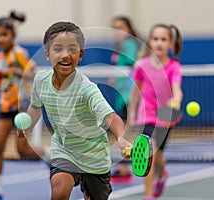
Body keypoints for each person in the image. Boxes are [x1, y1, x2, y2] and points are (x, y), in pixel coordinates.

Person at [17, 21, 132, 200]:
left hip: (94, 157)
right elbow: (35, 106)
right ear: (47, 54)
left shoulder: (87, 89)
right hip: (64, 151)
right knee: (59, 191)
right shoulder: (40, 81)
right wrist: (28, 124)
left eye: (72, 49)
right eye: (58, 49)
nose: (65, 55)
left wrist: (121, 137)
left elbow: (110, 117)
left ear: (80, 55)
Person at [0, 11, 43, 200]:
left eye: (4, 34)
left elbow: (33, 74)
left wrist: (16, 70)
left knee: (22, 151)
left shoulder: (19, 53)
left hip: (21, 107)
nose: (0, 38)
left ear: (13, 35)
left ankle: (51, 154)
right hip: (5, 108)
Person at [128, 23, 183, 200]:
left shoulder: (174, 67)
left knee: (158, 156)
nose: (159, 43)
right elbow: (135, 89)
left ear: (171, 45)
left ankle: (162, 173)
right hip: (146, 115)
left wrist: (176, 100)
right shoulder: (142, 65)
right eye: (156, 38)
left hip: (166, 116)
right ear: (150, 42)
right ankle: (149, 195)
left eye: (164, 39)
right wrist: (131, 112)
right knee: (148, 152)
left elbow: (177, 89)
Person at [109, 16, 140, 184]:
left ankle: (125, 167)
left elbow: (132, 66)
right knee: (127, 130)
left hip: (130, 95)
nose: (117, 31)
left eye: (120, 27)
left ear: (129, 28)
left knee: (127, 130)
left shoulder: (130, 45)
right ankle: (125, 166)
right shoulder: (120, 47)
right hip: (121, 94)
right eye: (115, 27)